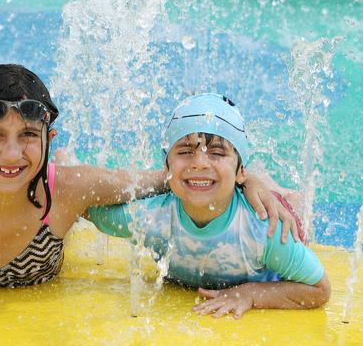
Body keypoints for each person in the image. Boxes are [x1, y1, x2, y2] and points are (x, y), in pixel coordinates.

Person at [0, 65, 298, 289]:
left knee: (72, 169)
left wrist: (247, 177)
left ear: (49, 136)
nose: (11, 153)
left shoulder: (69, 189)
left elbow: (169, 176)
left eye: (28, 135)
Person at [88, 93, 330, 318]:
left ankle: (278, 192)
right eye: (185, 151)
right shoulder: (149, 217)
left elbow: (319, 289)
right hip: (228, 184)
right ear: (166, 167)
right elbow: (84, 204)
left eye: (216, 152)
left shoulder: (263, 230)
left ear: (241, 170)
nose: (200, 163)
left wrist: (251, 294)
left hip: (259, 203)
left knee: (291, 207)